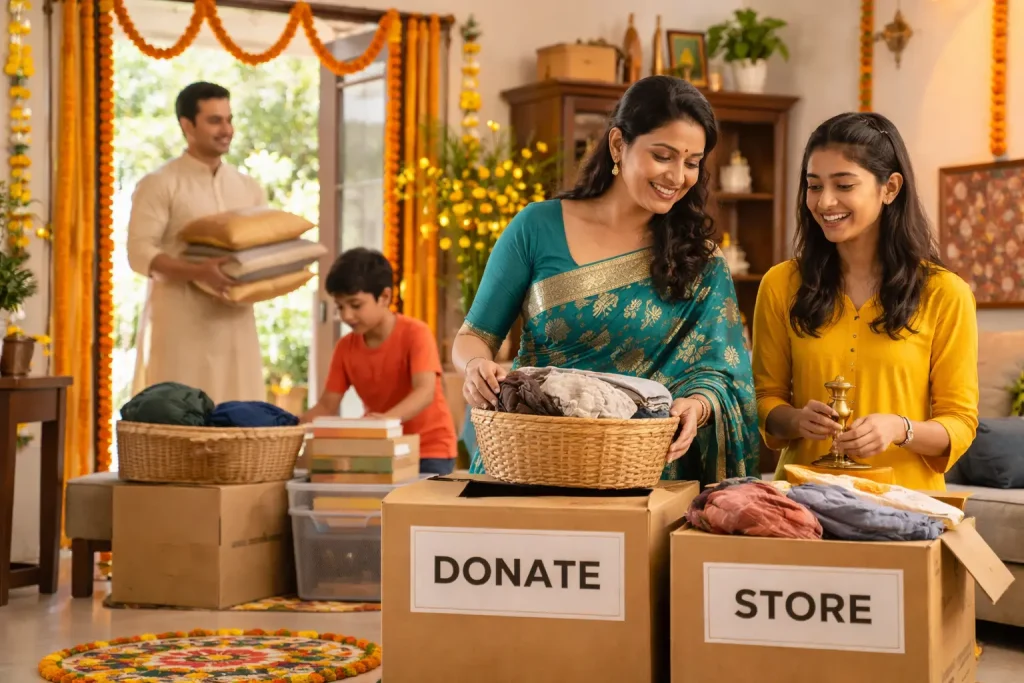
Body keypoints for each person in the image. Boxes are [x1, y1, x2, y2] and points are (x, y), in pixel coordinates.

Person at [452, 75, 760, 486]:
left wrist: (699, 405)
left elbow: (722, 371)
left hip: (638, 471)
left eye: (692, 162)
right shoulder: (537, 226)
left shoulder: (699, 260)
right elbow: (475, 334)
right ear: (618, 145)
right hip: (530, 457)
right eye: (663, 156)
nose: (677, 176)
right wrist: (475, 366)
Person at [753, 112, 979, 490]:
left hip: (905, 509)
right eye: (813, 186)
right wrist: (794, 420)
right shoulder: (781, 284)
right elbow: (764, 398)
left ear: (889, 188)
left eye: (844, 185)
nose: (825, 202)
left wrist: (899, 428)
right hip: (804, 502)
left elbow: (959, 421)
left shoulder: (945, 293)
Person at [127, 81, 266, 403]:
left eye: (229, 119)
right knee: (180, 423)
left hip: (237, 326)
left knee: (238, 424)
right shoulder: (160, 183)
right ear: (186, 125)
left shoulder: (248, 188)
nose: (226, 129)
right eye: (215, 120)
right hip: (181, 329)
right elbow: (140, 253)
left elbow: (261, 251)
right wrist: (198, 272)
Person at [301, 248, 458, 476]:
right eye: (340, 307)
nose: (346, 316)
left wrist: (386, 420)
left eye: (355, 305)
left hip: (430, 450)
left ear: (384, 297)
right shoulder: (345, 348)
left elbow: (425, 392)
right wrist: (293, 425)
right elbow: (327, 405)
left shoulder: (416, 333)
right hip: (381, 450)